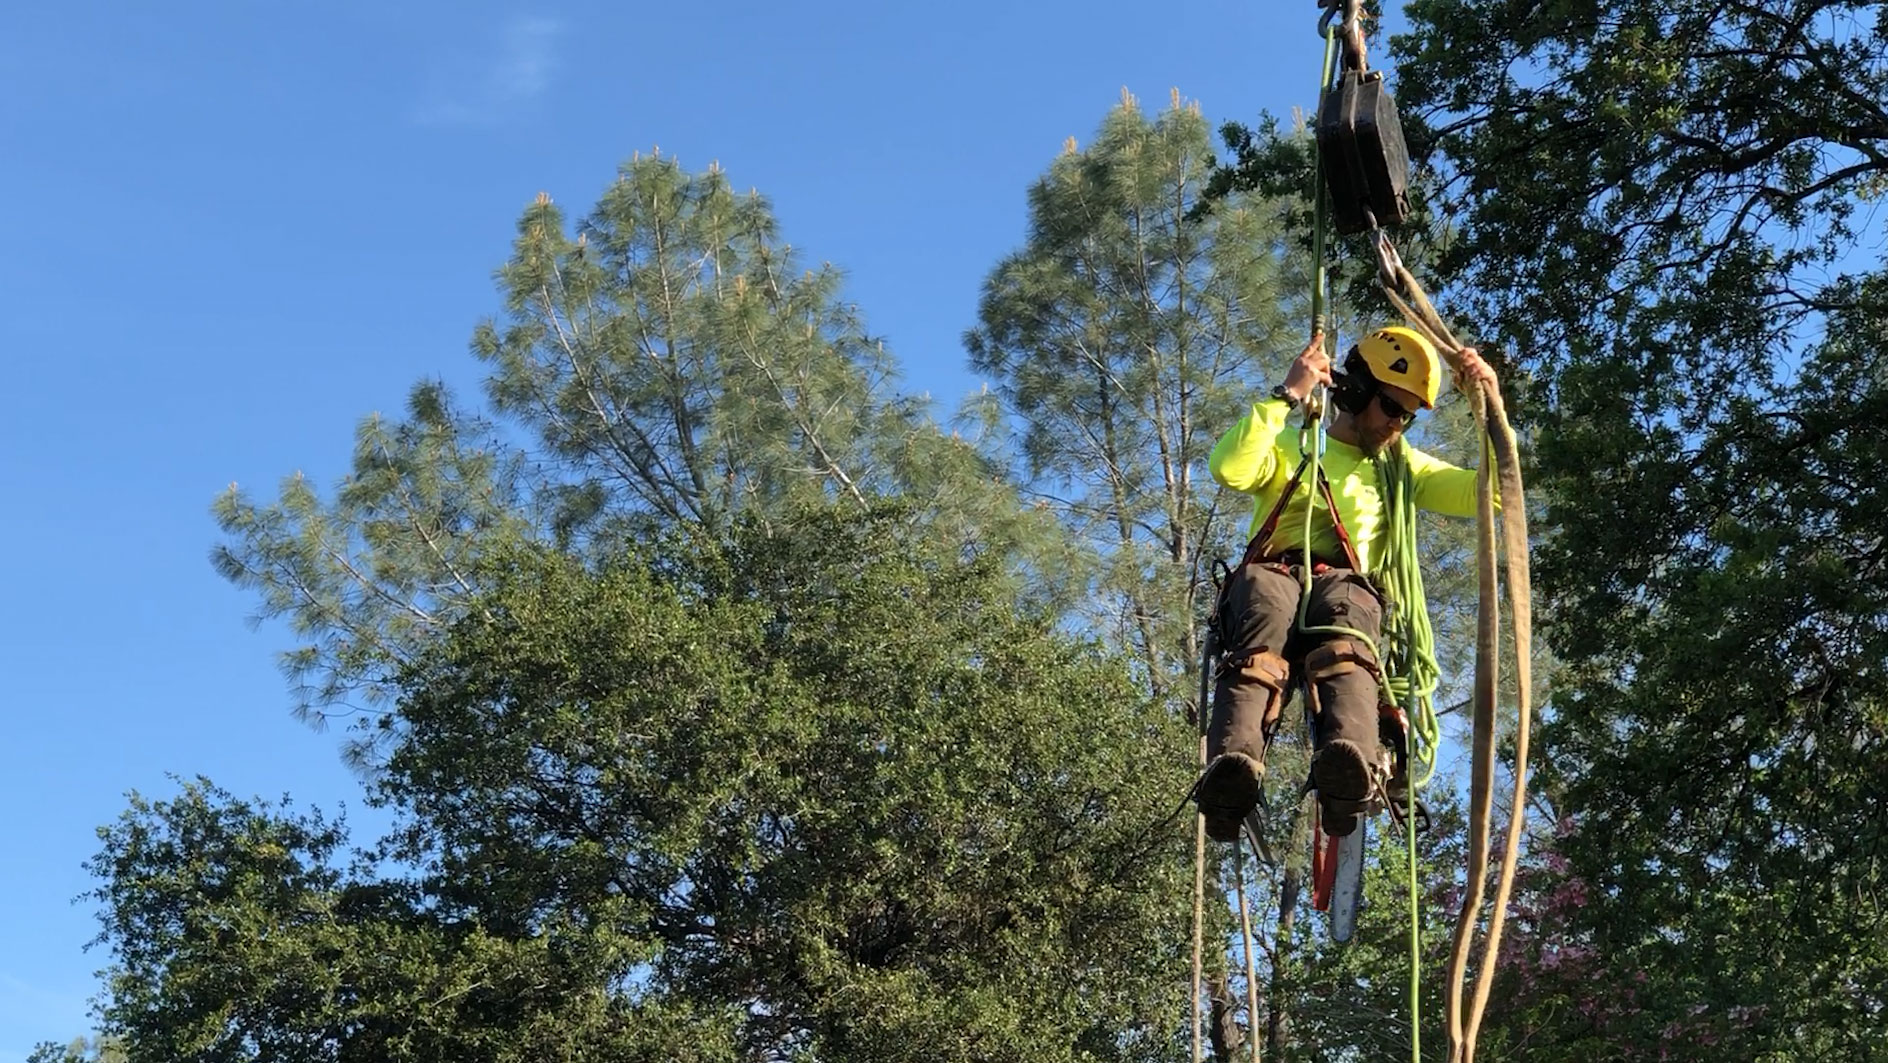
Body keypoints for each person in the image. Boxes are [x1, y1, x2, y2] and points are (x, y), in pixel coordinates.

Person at [1196, 325, 1501, 842]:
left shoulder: (1402, 470)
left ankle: (1350, 767)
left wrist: (1489, 412)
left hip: (1344, 592)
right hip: (1273, 578)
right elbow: (1229, 468)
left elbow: (1493, 493)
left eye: (1407, 416)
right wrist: (1287, 397)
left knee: (1348, 604)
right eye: (1390, 407)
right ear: (1355, 392)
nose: (1396, 425)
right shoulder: (1294, 447)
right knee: (1265, 596)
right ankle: (1233, 769)